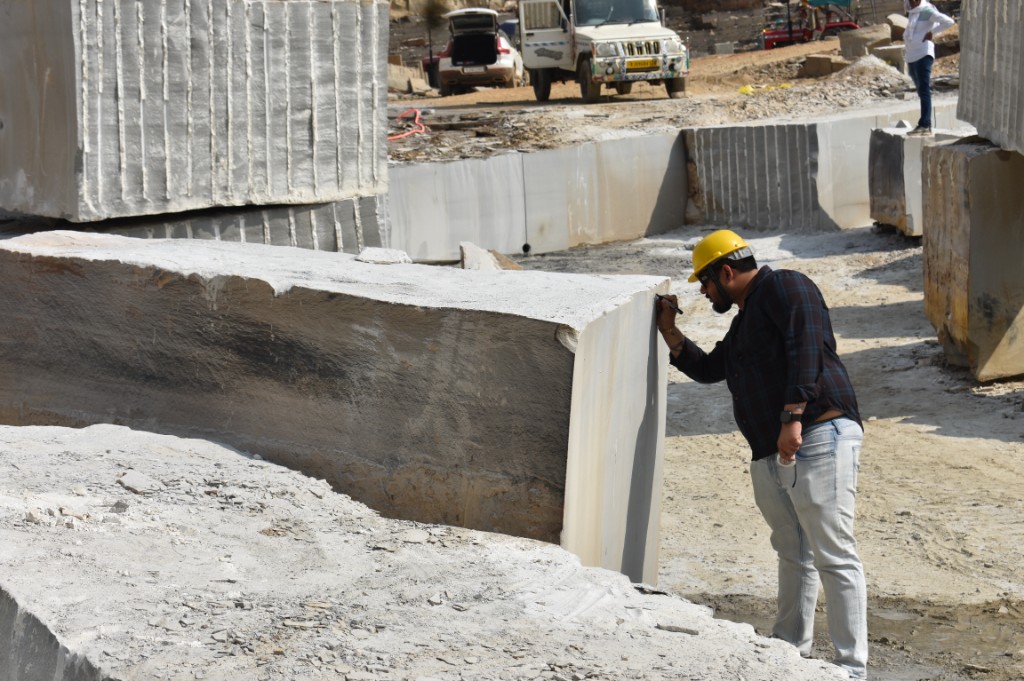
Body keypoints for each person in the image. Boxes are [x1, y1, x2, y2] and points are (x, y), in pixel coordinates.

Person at [655, 230, 868, 679]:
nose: (703, 291)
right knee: (794, 552)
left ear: (726, 272)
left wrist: (793, 416)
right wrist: (670, 332)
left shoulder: (788, 286)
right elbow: (712, 368)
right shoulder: (745, 321)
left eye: (705, 283)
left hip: (816, 433)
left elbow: (806, 347)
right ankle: (790, 654)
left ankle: (851, 669)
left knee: (834, 553)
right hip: (777, 449)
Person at [904, 0, 955, 136]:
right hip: (912, 56)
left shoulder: (926, 10)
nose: (913, 1)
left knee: (924, 90)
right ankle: (924, 124)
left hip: (923, 54)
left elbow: (948, 21)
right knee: (921, 91)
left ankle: (925, 124)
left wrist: (932, 32)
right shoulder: (912, 13)